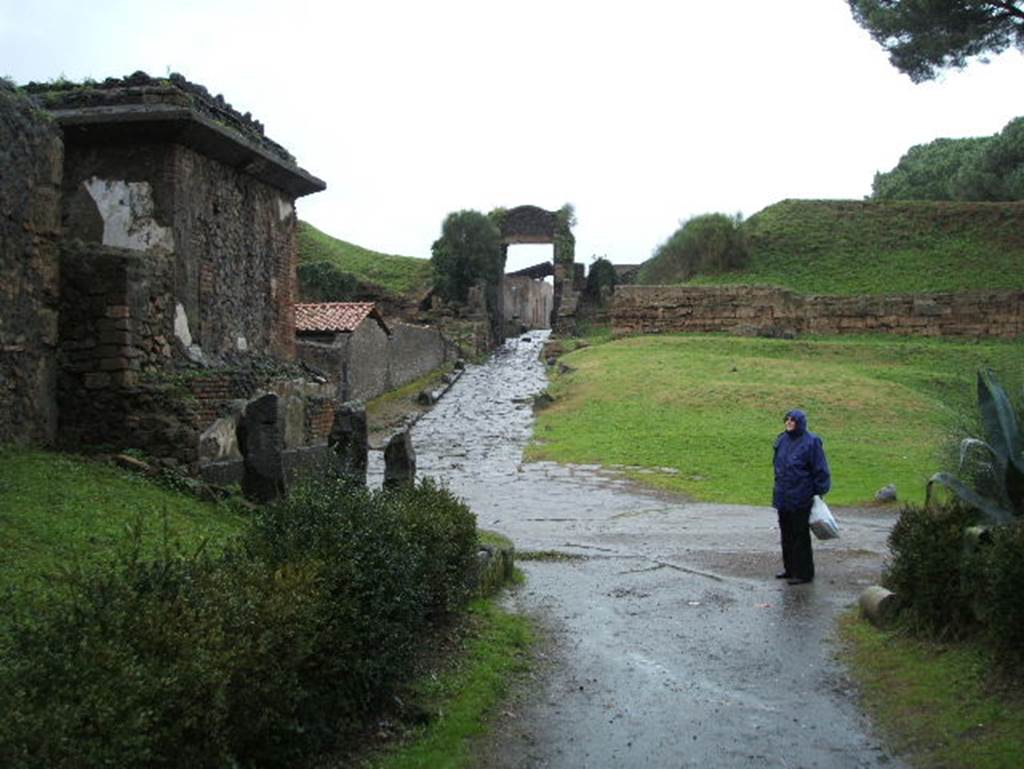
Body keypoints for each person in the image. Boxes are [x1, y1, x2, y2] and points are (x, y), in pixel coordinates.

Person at [772, 409, 831, 585]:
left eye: (793, 420)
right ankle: (790, 569)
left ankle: (804, 573)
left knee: (800, 536)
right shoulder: (781, 439)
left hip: (801, 496)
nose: (789, 423)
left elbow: (820, 469)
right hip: (783, 495)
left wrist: (819, 492)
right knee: (786, 534)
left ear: (800, 422)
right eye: (787, 419)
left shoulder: (811, 442)